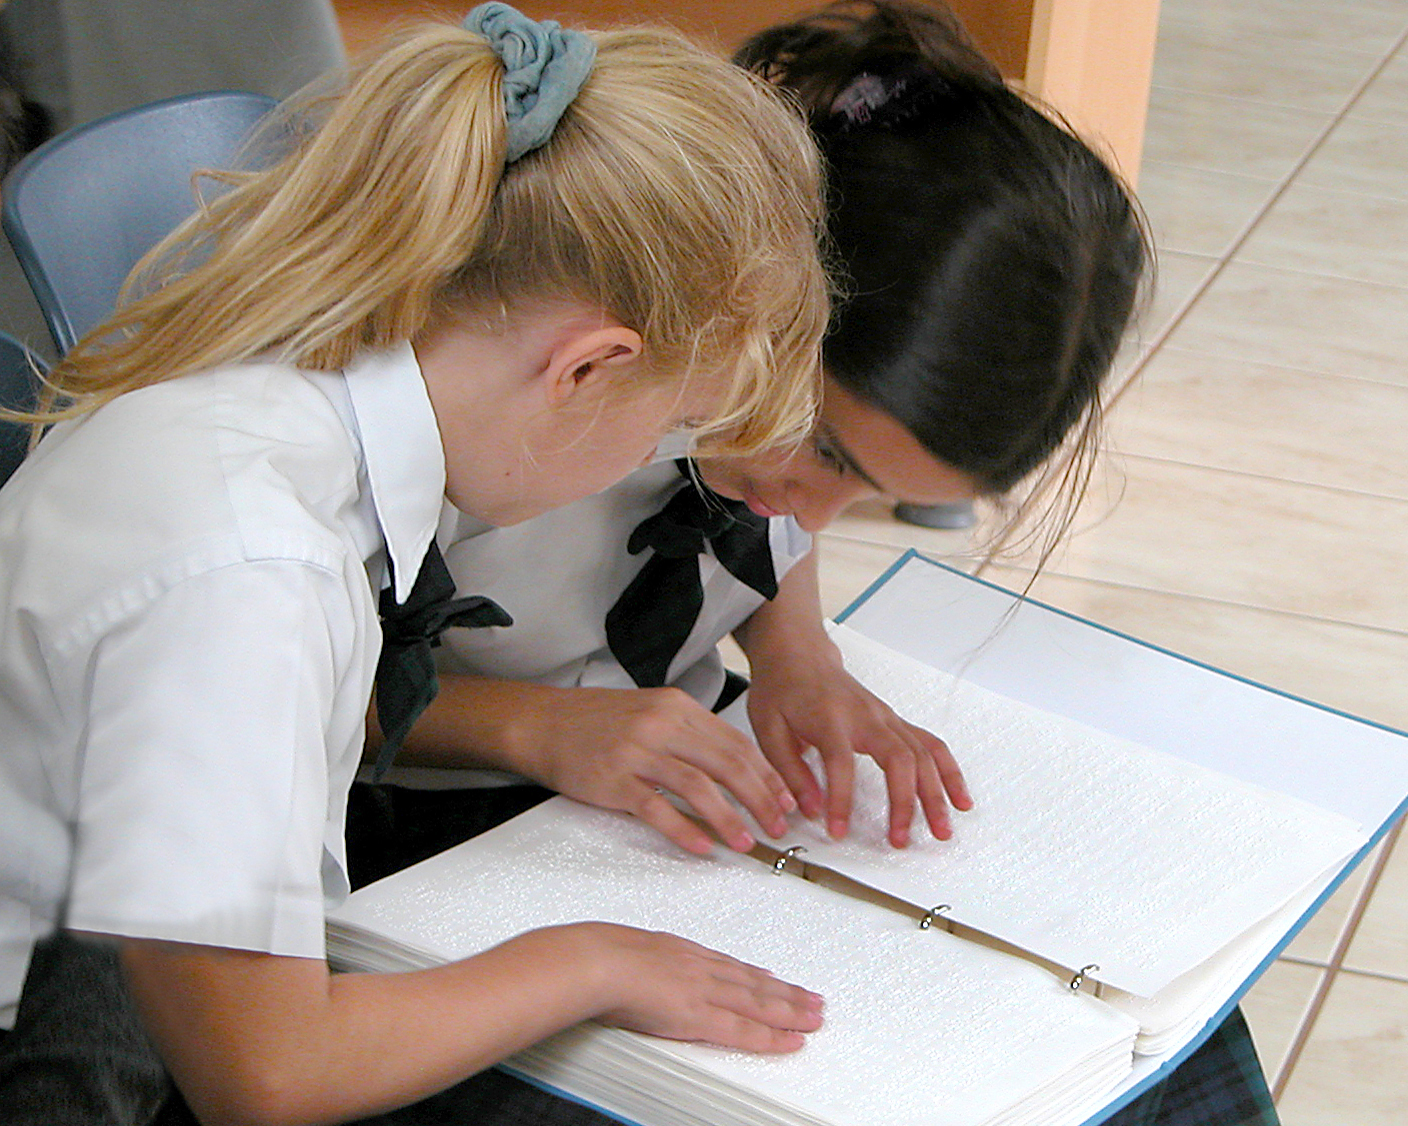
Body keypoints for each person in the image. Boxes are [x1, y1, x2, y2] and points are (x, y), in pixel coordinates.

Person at [353, 4, 1279, 1125]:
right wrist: (526, 726)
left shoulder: (753, 412)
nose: (814, 513)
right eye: (828, 449)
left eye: (872, 495)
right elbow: (244, 690)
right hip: (405, 833)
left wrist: (796, 653)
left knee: (1150, 1043)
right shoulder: (502, 381)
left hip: (625, 774)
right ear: (762, 288)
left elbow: (762, 520)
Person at [0, 5, 834, 1124]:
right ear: (585, 368)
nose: (650, 462)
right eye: (670, 426)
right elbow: (270, 1073)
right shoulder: (254, 574)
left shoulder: (293, 369)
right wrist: (591, 960)